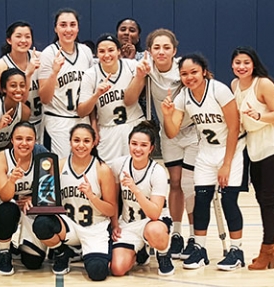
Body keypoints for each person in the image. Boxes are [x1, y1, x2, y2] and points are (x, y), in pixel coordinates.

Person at [161, 53, 247, 271]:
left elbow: (234, 128)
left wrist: (227, 164)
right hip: (206, 152)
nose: (189, 77)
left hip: (231, 150)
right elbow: (172, 133)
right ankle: (200, 249)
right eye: (184, 74)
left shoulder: (219, 90)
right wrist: (167, 115)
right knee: (201, 200)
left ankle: (236, 251)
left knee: (228, 201)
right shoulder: (183, 97)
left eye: (193, 72)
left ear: (204, 72)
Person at [125, 28, 197, 260]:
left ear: (174, 51)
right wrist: (139, 75)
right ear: (149, 51)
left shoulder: (183, 68)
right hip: (169, 133)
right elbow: (129, 98)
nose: (161, 51)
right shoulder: (148, 69)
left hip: (192, 130)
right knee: (174, 183)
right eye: (156, 47)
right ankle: (176, 233)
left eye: (166, 47)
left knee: (189, 184)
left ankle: (195, 236)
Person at [231, 46, 274, 270]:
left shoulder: (263, 83)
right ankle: (272, 245)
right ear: (232, 65)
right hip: (254, 145)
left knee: (269, 198)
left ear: (253, 64)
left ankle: (267, 249)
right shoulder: (234, 85)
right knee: (261, 197)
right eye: (238, 62)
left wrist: (258, 115)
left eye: (246, 62)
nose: (242, 67)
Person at [32, 123, 116, 281]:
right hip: (68, 225)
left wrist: (92, 196)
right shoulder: (59, 165)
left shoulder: (102, 169)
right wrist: (32, 199)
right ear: (70, 142)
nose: (81, 145)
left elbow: (111, 210)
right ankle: (62, 253)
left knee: (98, 272)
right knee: (41, 224)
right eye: (76, 140)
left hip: (94, 227)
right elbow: (47, 197)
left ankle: (86, 251)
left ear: (93, 143)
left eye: (86, 141)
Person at [110, 121, 173, 276]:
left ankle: (163, 254)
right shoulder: (119, 164)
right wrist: (115, 224)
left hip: (152, 222)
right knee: (117, 269)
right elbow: (113, 199)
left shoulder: (157, 172)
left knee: (155, 230)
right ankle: (140, 252)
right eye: (134, 144)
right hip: (128, 223)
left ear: (151, 148)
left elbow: (154, 214)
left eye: (143, 145)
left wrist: (134, 189)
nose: (138, 149)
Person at [0, 121, 48, 275]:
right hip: (9, 202)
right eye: (19, 139)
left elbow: (49, 192)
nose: (24, 143)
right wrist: (12, 180)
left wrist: (33, 198)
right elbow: (4, 196)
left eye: (29, 139)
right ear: (12, 140)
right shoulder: (1, 158)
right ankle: (4, 252)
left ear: (35, 141)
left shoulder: (43, 157)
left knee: (33, 263)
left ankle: (20, 246)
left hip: (30, 206)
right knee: (7, 210)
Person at [78, 33, 144, 164]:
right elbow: (81, 111)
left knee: (135, 173)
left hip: (133, 124)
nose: (106, 55)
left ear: (119, 51)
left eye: (111, 50)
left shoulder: (131, 66)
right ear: (96, 54)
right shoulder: (90, 75)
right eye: (102, 51)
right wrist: (96, 95)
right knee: (109, 177)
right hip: (107, 129)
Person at [38, 8, 94, 158]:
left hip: (83, 120)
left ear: (78, 28)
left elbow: (91, 92)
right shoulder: (48, 54)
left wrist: (94, 123)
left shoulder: (86, 52)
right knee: (60, 170)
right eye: (63, 25)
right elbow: (44, 98)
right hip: (57, 120)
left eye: (72, 25)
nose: (68, 29)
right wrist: (54, 72)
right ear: (56, 28)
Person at [0, 21, 43, 142]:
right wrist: (28, 74)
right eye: (18, 36)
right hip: (17, 121)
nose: (23, 40)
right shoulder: (1, 65)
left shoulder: (40, 57)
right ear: (9, 40)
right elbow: (13, 100)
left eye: (27, 36)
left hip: (41, 119)